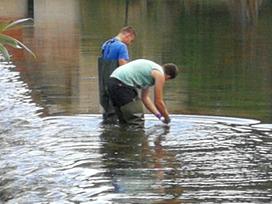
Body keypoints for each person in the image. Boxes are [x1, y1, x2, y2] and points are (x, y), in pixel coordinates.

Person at [108, 59, 178, 124]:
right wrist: (167, 117)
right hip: (122, 84)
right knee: (136, 121)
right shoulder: (160, 74)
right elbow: (158, 102)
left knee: (124, 120)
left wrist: (159, 116)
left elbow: (145, 98)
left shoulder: (150, 70)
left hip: (112, 82)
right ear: (168, 77)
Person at [98, 26, 136, 121]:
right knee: (117, 112)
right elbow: (123, 67)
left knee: (107, 113)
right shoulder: (122, 47)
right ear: (128, 35)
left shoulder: (106, 44)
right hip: (116, 84)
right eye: (131, 41)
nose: (130, 44)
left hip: (104, 83)